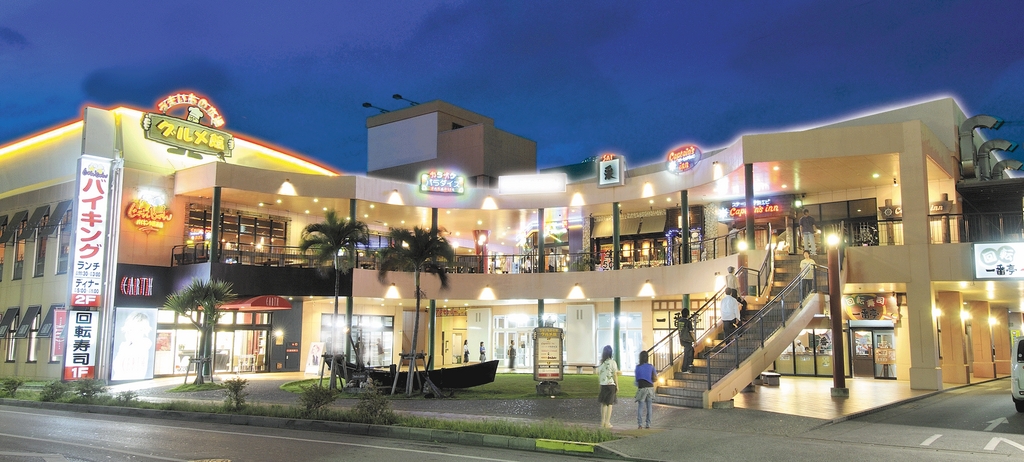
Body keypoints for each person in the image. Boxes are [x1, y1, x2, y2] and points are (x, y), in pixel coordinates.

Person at [597, 345, 619, 429]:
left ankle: (602, 422)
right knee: (610, 404)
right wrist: (617, 385)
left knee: (603, 403)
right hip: (611, 385)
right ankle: (607, 422)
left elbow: (599, 374)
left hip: (603, 385)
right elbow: (615, 374)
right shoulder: (613, 362)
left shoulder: (601, 363)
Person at [634, 350, 656, 429]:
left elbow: (637, 379)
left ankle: (640, 424)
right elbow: (655, 377)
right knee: (649, 406)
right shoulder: (651, 366)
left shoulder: (637, 367)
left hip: (642, 388)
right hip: (650, 387)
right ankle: (648, 424)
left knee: (640, 406)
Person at [675, 309, 695, 373]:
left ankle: (687, 367)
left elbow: (679, 330)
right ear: (688, 314)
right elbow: (691, 332)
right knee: (688, 354)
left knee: (690, 351)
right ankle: (685, 368)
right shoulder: (688, 322)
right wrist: (695, 340)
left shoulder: (679, 321)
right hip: (687, 340)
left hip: (682, 339)